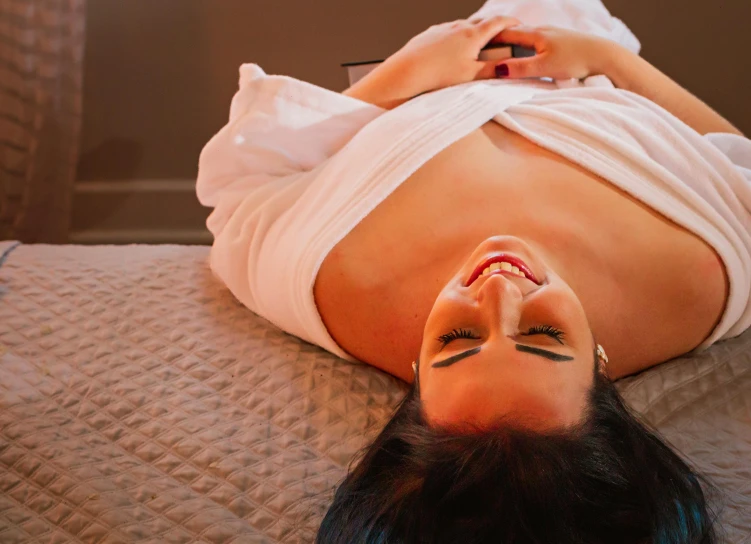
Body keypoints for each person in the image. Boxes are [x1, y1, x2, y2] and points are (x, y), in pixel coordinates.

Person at [196, 0, 751, 541]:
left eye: (458, 339)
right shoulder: (698, 283)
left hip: (434, 71)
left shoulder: (334, 289)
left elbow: (245, 180)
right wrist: (611, 61)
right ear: (599, 369)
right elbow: (740, 158)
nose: (499, 290)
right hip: (577, 52)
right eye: (544, 333)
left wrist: (401, 76)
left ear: (415, 371)